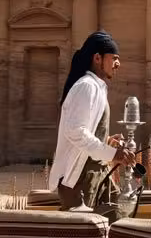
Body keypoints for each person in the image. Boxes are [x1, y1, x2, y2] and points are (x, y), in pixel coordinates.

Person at [49, 30, 134, 212]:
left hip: (98, 175)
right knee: (85, 237)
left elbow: (87, 131)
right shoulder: (86, 86)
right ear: (97, 58)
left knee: (121, 217)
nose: (118, 64)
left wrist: (108, 141)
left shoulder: (97, 87)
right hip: (81, 180)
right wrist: (112, 153)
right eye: (114, 58)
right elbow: (75, 131)